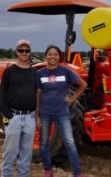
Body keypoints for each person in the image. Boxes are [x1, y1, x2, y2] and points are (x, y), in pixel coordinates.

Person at [36, 45, 87, 177]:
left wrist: (73, 98)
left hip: (62, 112)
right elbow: (38, 94)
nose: (52, 57)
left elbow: (83, 85)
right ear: (45, 56)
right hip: (45, 112)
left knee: (69, 142)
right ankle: (47, 170)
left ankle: (77, 173)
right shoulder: (39, 73)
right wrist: (36, 115)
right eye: (50, 54)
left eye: (55, 54)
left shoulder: (65, 71)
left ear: (59, 57)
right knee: (44, 143)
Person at [0, 39, 37, 177]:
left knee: (27, 153)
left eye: (27, 50)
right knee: (10, 151)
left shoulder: (34, 72)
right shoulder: (9, 71)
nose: (24, 53)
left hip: (30, 117)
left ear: (30, 52)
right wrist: (7, 115)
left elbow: (37, 94)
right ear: (16, 52)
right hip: (14, 117)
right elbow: (2, 93)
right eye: (21, 50)